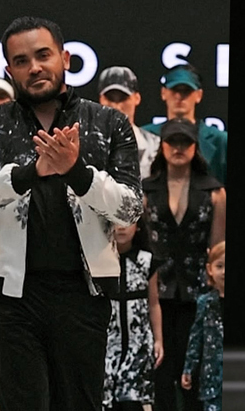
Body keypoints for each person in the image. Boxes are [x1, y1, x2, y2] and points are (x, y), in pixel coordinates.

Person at [0, 16, 143, 411]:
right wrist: (26, 174)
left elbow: (130, 208)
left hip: (83, 292)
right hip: (8, 296)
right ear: (9, 70)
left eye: (43, 55)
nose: (34, 67)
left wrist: (78, 174)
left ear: (65, 59)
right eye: (21, 61)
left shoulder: (109, 122)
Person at [142, 118, 226, 411]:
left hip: (198, 292)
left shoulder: (214, 192)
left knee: (197, 373)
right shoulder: (146, 191)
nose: (178, 148)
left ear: (195, 147)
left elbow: (218, 250)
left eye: (185, 142)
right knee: (160, 372)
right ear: (162, 146)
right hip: (156, 292)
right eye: (172, 141)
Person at [103, 216, 164, 411]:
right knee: (106, 398)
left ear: (138, 227)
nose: (121, 228)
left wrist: (158, 340)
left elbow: (153, 303)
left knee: (133, 400)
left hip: (138, 344)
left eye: (128, 222)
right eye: (116, 222)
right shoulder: (100, 260)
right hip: (108, 343)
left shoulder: (146, 261)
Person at [141, 65, 227, 185]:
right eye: (174, 90)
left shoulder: (220, 141)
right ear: (163, 93)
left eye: (186, 91)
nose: (179, 96)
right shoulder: (145, 137)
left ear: (199, 95)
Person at [181, 241, 224, 411]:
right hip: (211, 377)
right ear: (209, 269)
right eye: (219, 266)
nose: (224, 271)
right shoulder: (205, 302)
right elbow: (196, 337)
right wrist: (188, 368)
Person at [98, 66, 160, 180]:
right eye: (110, 98)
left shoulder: (154, 146)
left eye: (123, 98)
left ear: (137, 98)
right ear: (101, 99)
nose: (116, 106)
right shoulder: (87, 143)